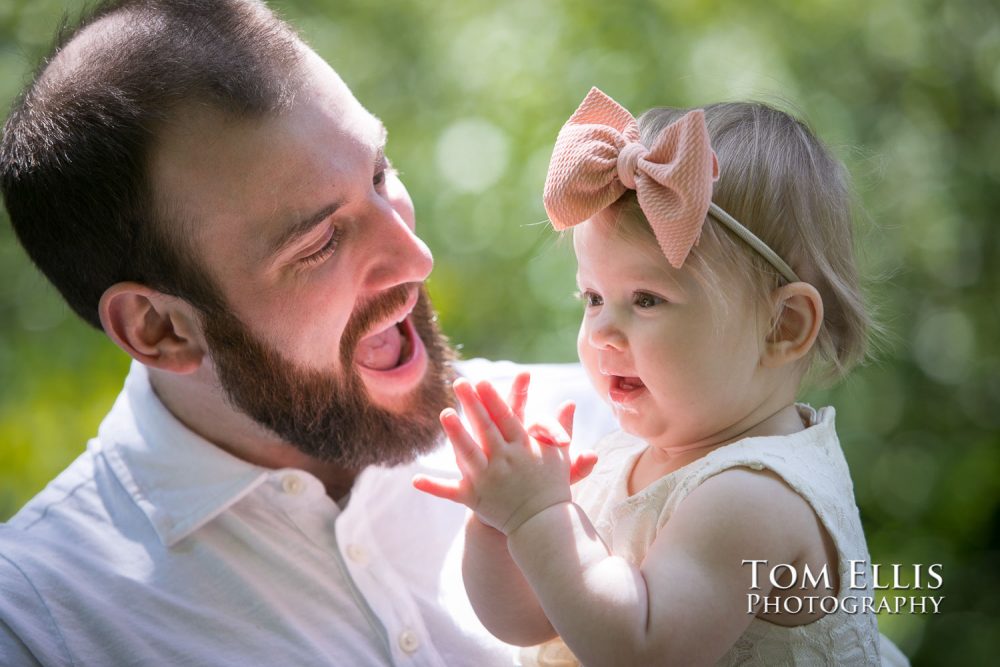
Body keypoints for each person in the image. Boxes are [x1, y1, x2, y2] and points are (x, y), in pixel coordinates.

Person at [0, 1, 615, 665]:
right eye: (321, 242)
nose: (415, 258)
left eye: (379, 175)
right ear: (161, 329)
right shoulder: (42, 625)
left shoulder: (619, 429)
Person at [414, 88, 911, 665]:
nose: (602, 332)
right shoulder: (636, 451)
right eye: (593, 297)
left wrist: (541, 518)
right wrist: (501, 524)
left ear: (782, 326)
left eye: (646, 299)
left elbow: (639, 649)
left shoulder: (755, 496)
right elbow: (529, 621)